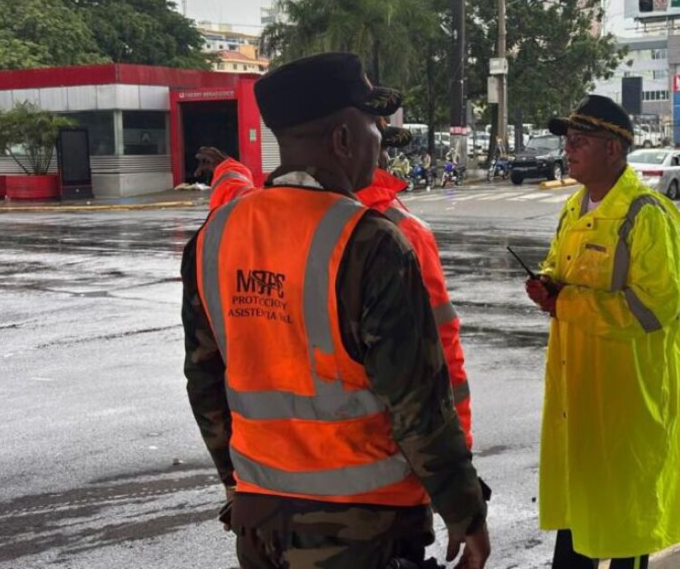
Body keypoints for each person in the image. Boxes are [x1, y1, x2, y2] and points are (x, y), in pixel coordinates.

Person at [181, 52, 489, 569]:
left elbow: (204, 382)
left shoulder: (214, 238)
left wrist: (239, 486)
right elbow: (418, 403)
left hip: (261, 521)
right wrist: (465, 511)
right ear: (343, 139)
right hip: (366, 529)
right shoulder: (372, 243)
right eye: (372, 122)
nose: (379, 136)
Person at [195, 127, 475, 447]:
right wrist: (459, 454)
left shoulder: (261, 217)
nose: (385, 158)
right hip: (370, 472)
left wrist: (228, 171)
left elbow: (238, 195)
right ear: (347, 144)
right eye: (379, 144)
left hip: (266, 472)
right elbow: (441, 359)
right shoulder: (399, 231)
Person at [525, 95, 680, 568]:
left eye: (580, 141)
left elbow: (653, 309)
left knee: (625, 526)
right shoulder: (575, 208)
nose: (568, 149)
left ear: (613, 151)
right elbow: (562, 268)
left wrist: (566, 302)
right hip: (578, 397)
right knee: (578, 519)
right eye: (568, 140)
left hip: (626, 403)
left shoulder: (646, 216)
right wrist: (547, 286)